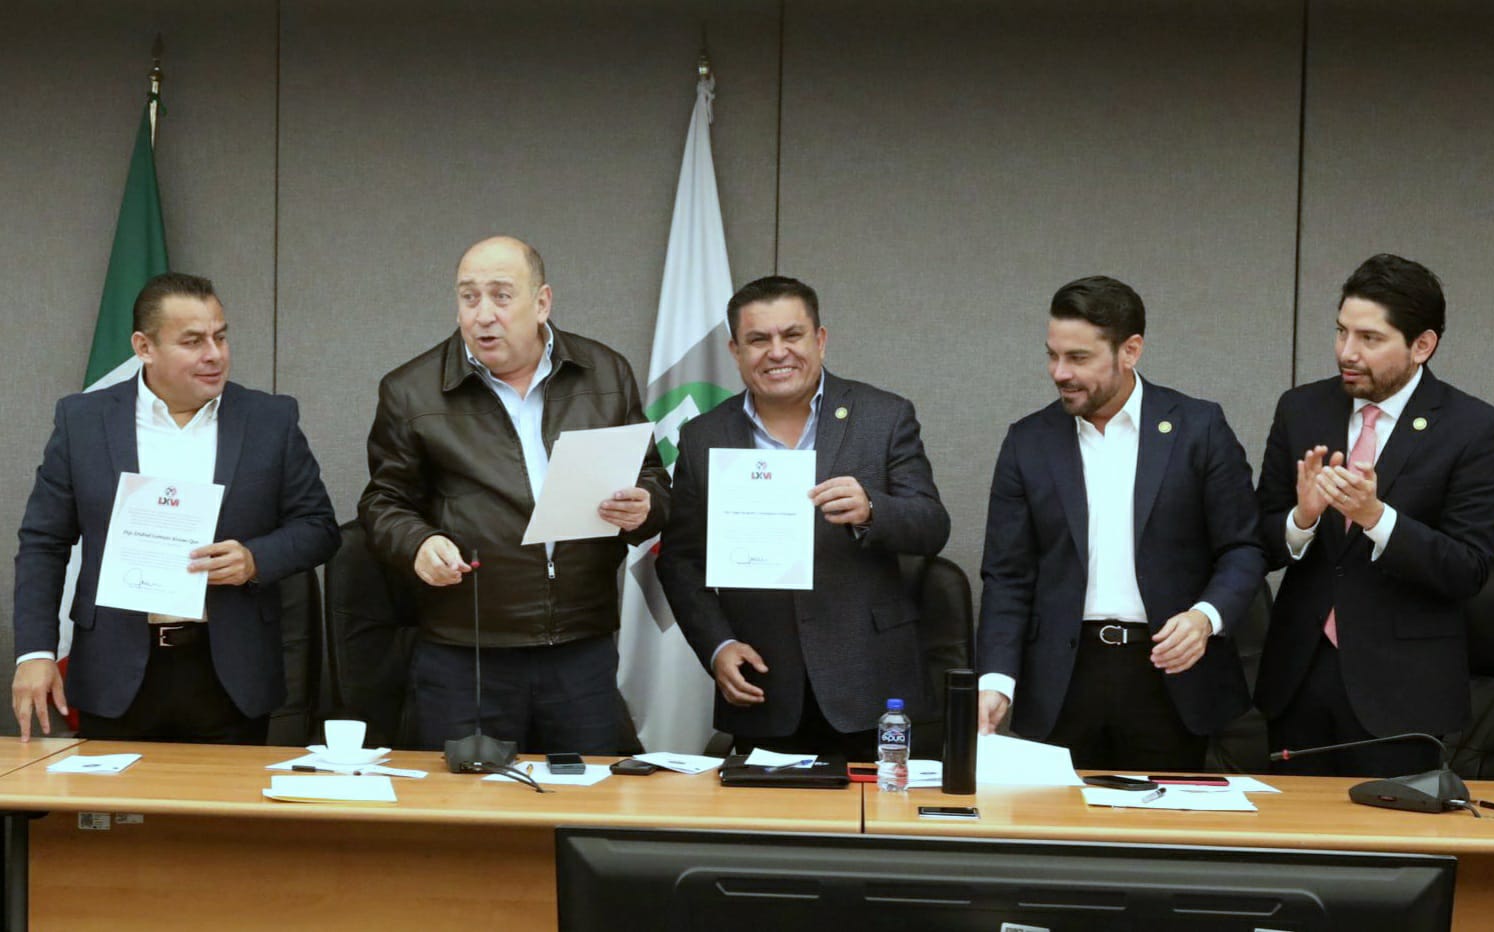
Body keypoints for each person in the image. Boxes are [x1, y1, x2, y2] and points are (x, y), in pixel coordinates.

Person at [359, 235, 669, 754]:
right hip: (468, 651)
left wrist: (646, 504)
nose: (483, 315)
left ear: (542, 302)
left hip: (580, 643)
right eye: (469, 297)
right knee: (467, 799)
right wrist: (417, 543)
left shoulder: (606, 373)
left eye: (501, 296)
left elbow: (652, 475)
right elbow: (383, 502)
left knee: (588, 792)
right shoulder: (411, 390)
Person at [12, 272, 340, 743]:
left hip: (229, 672)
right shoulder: (83, 420)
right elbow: (44, 542)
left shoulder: (270, 419)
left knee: (223, 794)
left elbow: (319, 527)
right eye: (192, 341)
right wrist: (35, 652)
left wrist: (254, 560)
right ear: (144, 347)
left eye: (220, 336)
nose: (215, 354)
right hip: (115, 668)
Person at [657, 275, 951, 761]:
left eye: (792, 335)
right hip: (764, 683)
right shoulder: (703, 436)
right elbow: (681, 560)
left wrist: (873, 510)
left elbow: (932, 526)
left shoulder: (884, 416)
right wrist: (718, 645)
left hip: (870, 682)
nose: (777, 352)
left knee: (875, 812)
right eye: (758, 339)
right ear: (735, 351)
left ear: (820, 339)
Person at [976, 275, 1264, 771]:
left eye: (1078, 358)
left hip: (1169, 674)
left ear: (1130, 351)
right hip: (1062, 680)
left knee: (1165, 819)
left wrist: (1204, 618)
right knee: (1056, 820)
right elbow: (1007, 575)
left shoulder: (1198, 428)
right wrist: (997, 680)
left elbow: (1244, 548)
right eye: (1052, 355)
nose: (1060, 373)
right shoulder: (1029, 441)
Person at [1256, 254, 1494, 777]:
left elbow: (1466, 569)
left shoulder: (1475, 429)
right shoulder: (1301, 409)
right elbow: (1257, 540)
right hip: (1298, 678)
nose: (1346, 352)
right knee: (1291, 827)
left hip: (1402, 693)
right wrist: (1302, 519)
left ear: (1422, 345)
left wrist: (1376, 518)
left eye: (1370, 338)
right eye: (1341, 331)